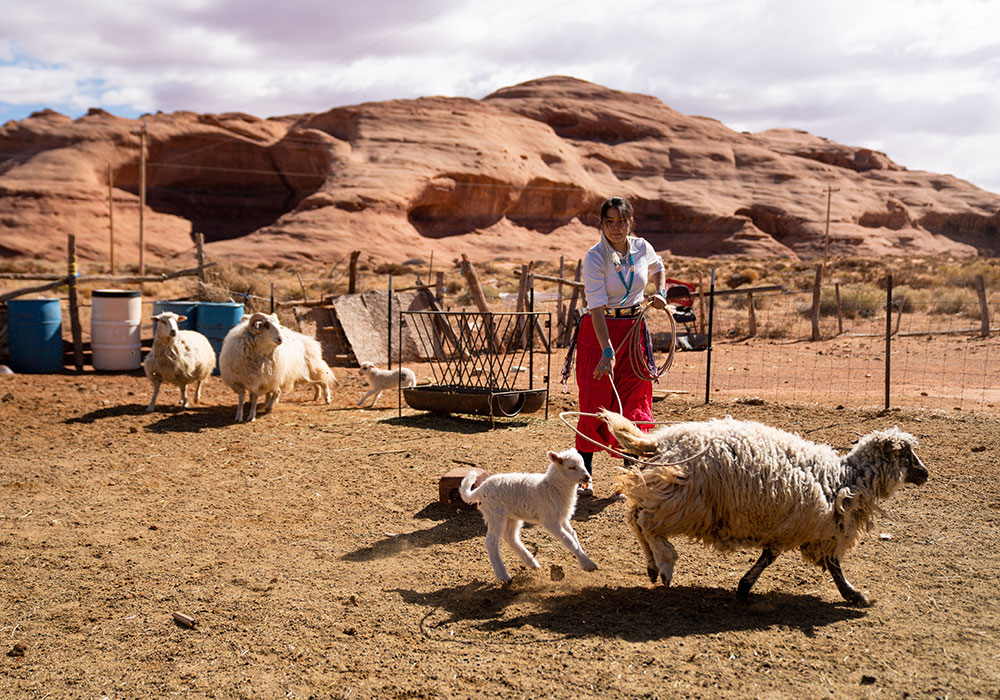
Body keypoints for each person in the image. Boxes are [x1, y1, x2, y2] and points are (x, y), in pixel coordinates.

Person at [562, 196, 668, 496]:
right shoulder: (596, 257)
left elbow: (659, 267)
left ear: (630, 221)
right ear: (602, 224)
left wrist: (660, 292)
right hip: (599, 333)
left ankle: (628, 477)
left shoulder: (642, 247)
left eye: (621, 221)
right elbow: (596, 309)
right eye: (610, 221)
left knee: (634, 402)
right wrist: (607, 352)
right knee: (594, 405)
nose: (616, 227)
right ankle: (585, 478)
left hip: (633, 331)